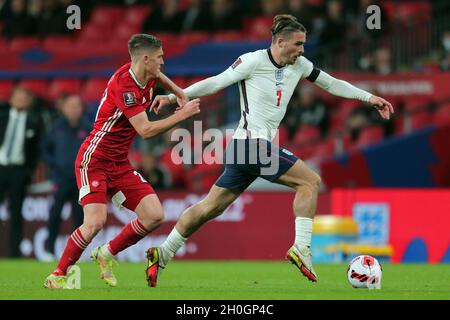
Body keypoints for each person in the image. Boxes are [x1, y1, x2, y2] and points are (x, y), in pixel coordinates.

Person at [147, 14, 393, 286]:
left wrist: (368, 97)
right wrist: (173, 97)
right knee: (310, 181)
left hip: (247, 149)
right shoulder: (252, 61)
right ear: (279, 41)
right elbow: (215, 82)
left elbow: (331, 83)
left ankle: (163, 253)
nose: (302, 50)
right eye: (298, 44)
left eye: (303, 44)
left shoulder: (299, 65)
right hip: (251, 145)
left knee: (210, 208)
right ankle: (301, 248)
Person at [44, 34, 201, 289]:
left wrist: (177, 92)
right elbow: (146, 130)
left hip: (119, 164)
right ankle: (59, 274)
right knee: (95, 222)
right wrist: (181, 114)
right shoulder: (124, 84)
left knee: (154, 215)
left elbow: (159, 77)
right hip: (94, 160)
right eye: (159, 57)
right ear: (146, 59)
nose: (163, 61)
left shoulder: (147, 73)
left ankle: (106, 253)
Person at [41, 95, 90, 261]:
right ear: (64, 108)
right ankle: (49, 250)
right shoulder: (56, 128)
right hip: (60, 179)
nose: (74, 109)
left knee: (80, 218)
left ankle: (78, 253)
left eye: (76, 106)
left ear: (81, 108)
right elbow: (44, 149)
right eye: (70, 106)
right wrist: (54, 164)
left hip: (80, 180)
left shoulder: (88, 128)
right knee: (55, 215)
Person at [0, 86, 43, 257]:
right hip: (1, 167)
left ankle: (13, 254)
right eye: (18, 97)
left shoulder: (34, 122)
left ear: (29, 102)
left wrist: (28, 172)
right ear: (11, 99)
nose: (21, 101)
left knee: (16, 214)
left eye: (25, 98)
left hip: (18, 172)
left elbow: (36, 151)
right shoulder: (2, 117)